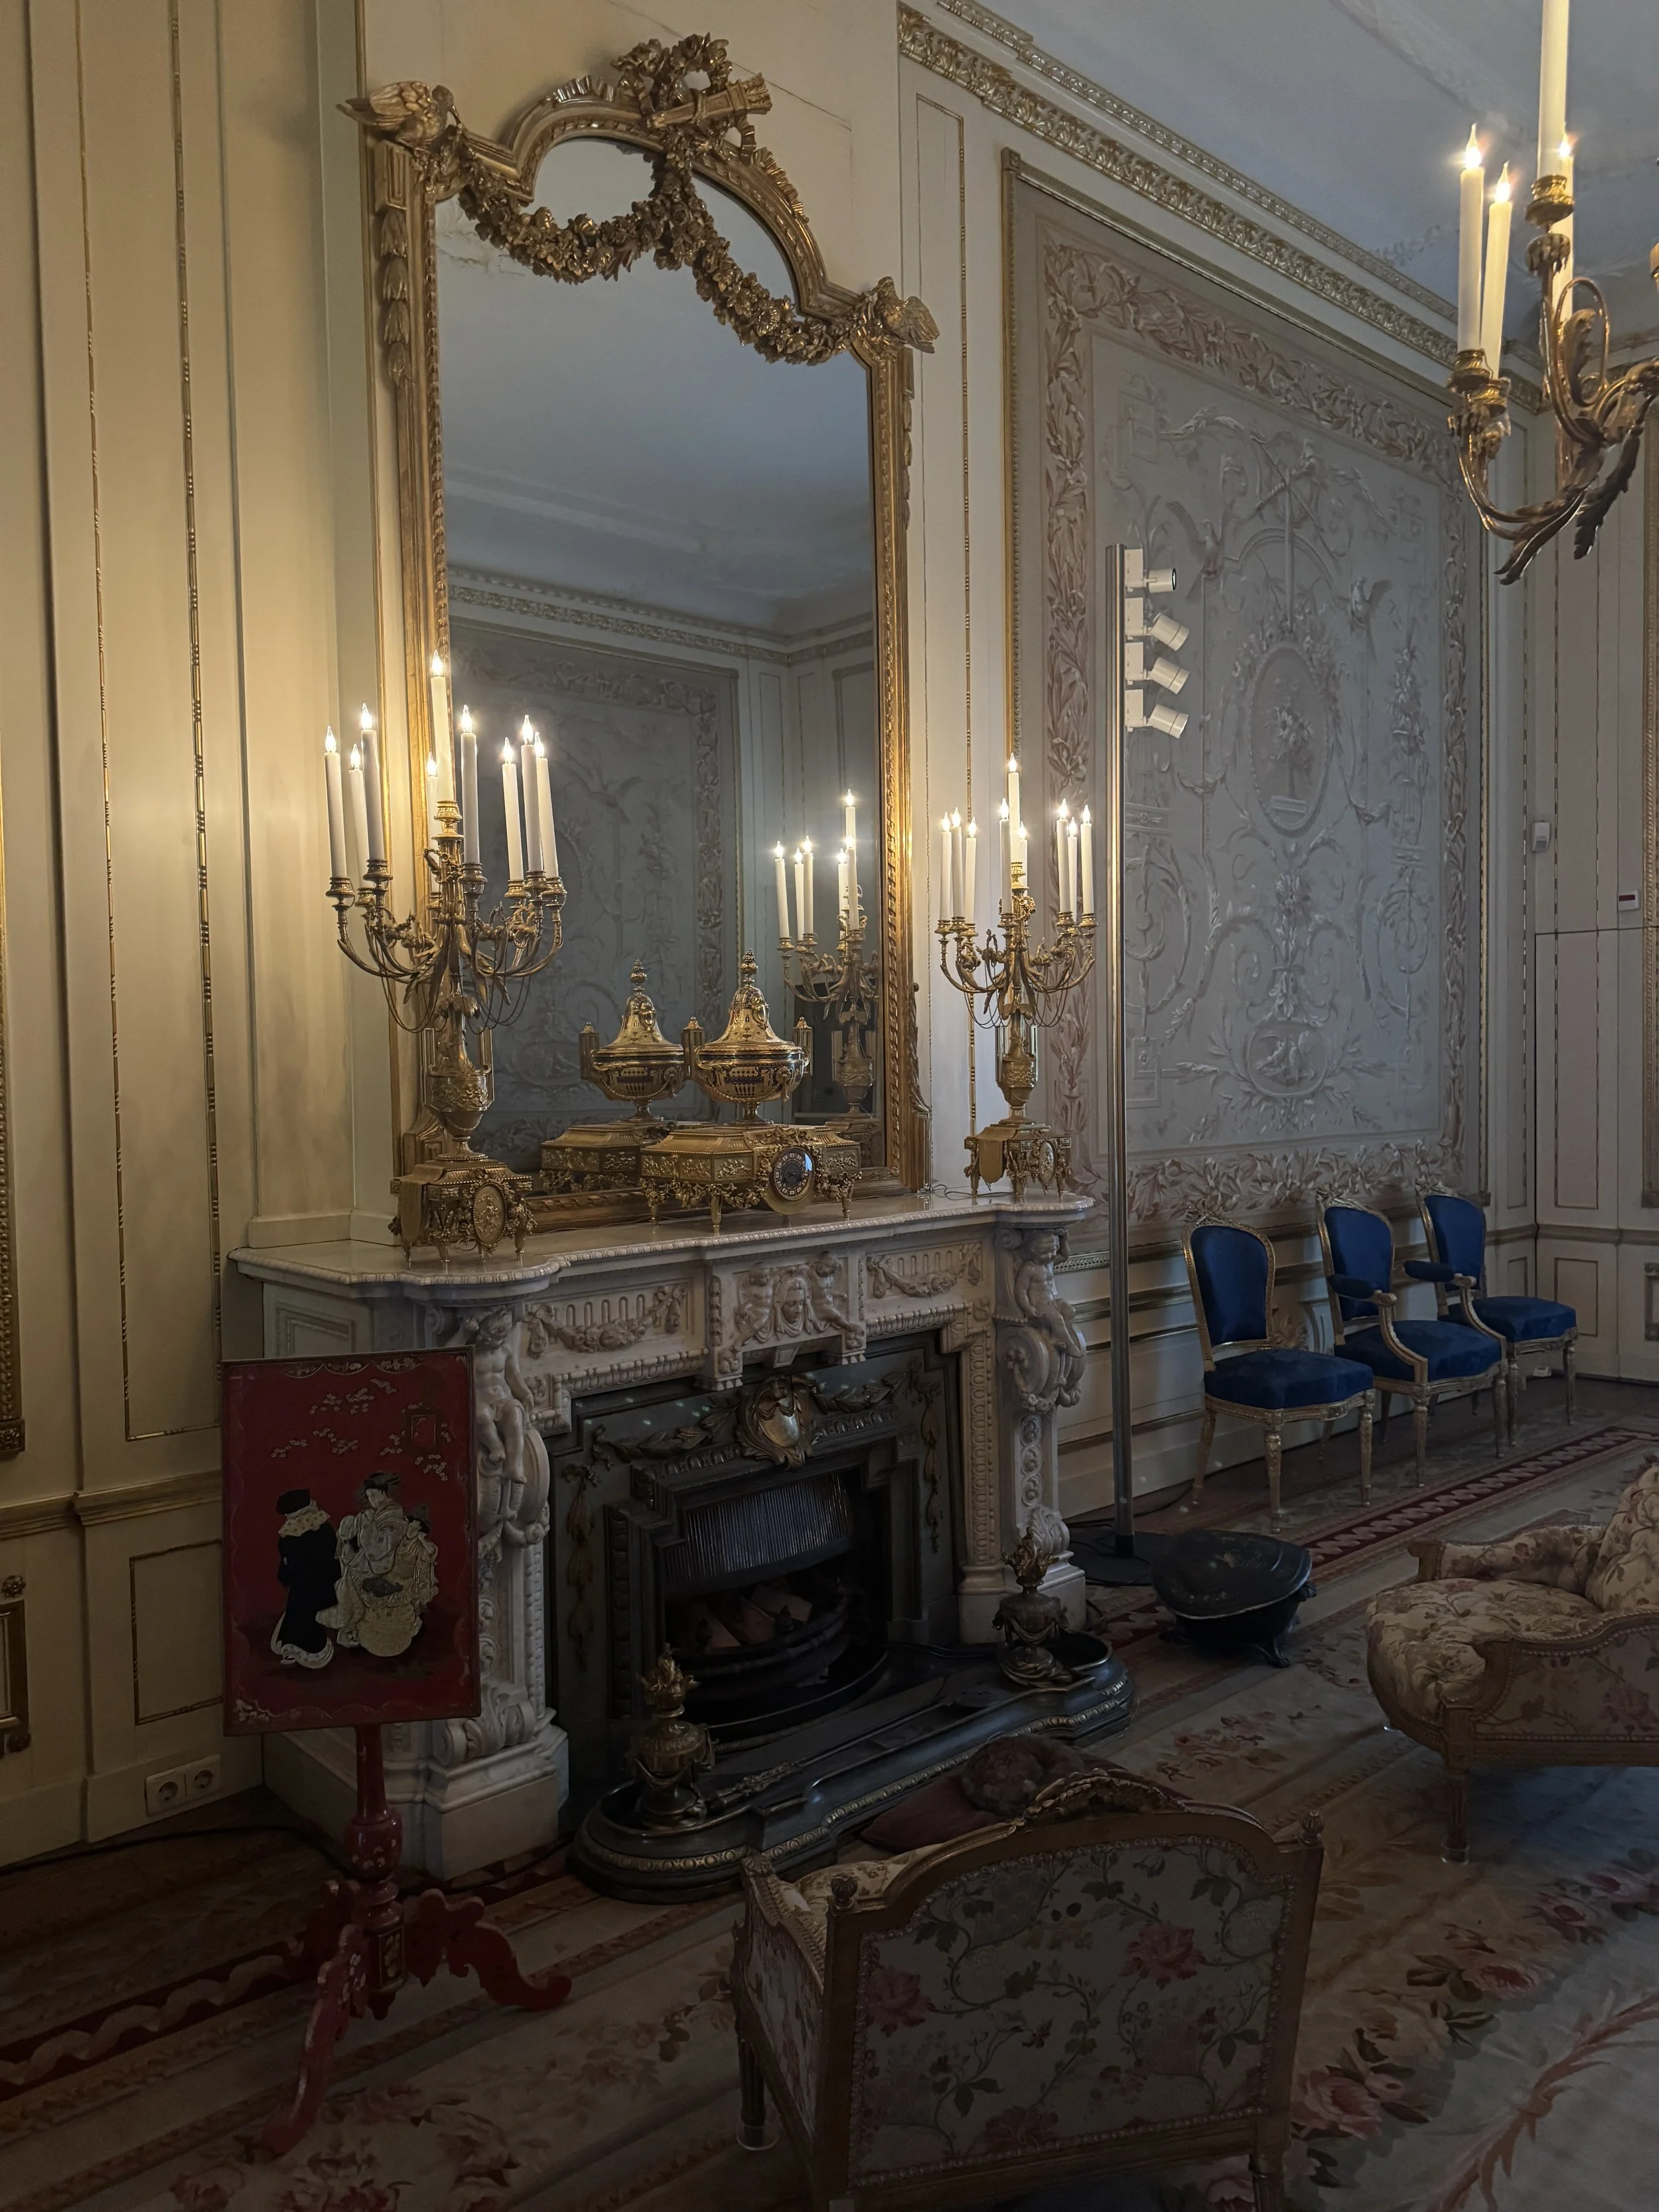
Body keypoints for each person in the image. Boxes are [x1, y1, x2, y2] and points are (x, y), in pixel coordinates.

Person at [320, 1473, 439, 1659]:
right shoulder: (371, 1515)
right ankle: (352, 1626)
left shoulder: (393, 1518)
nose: (372, 1500)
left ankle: (352, 1625)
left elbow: (379, 1550)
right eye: (369, 1497)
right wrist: (351, 1536)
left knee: (355, 1586)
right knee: (347, 1577)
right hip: (367, 1563)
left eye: (374, 1496)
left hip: (385, 1566)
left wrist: (366, 1527)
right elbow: (360, 1542)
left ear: (384, 1494)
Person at [270, 1488, 340, 1670]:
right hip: (303, 1584)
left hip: (320, 1583)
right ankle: (292, 1648)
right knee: (297, 1609)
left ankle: (308, 1648)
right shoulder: (290, 1537)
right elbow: (287, 1562)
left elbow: (329, 1556)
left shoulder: (321, 1529)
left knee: (301, 1610)